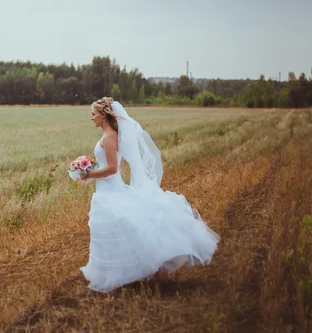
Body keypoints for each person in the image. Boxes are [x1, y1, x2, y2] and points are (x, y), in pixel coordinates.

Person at [79, 97, 220, 293]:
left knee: (120, 228)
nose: (91, 118)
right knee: (114, 230)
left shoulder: (109, 137)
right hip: (108, 189)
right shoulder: (111, 136)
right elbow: (118, 167)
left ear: (103, 115)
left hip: (111, 191)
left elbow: (112, 169)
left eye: (93, 114)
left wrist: (88, 174)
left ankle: (128, 272)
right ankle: (117, 274)